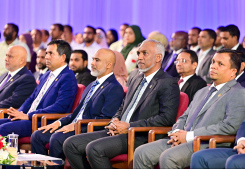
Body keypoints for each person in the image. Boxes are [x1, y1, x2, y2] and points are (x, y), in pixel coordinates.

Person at [63, 39, 180, 169]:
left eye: (144, 53)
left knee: (94, 149)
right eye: (139, 53)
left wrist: (129, 126)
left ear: (158, 57)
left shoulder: (167, 82)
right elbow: (123, 105)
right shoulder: (136, 77)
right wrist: (115, 121)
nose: (139, 57)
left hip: (140, 134)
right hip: (120, 130)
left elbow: (166, 118)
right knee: (70, 144)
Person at [133, 49, 245, 169]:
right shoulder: (203, 91)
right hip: (181, 139)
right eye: (213, 62)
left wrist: (189, 136)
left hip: (206, 144)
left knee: (168, 157)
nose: (213, 66)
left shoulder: (239, 93)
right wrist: (177, 132)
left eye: (220, 64)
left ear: (233, 72)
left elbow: (230, 127)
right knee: (141, 153)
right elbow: (184, 116)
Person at [31, 48, 125, 159]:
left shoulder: (114, 88)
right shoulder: (92, 85)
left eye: (97, 60)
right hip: (74, 125)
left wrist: (76, 126)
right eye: (93, 59)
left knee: (56, 138)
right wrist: (59, 123)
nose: (92, 63)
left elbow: (105, 120)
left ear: (109, 65)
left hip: (87, 130)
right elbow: (77, 113)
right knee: (37, 136)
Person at [0, 40, 78, 138]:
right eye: (46, 53)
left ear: (63, 57)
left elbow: (60, 106)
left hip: (44, 120)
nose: (46, 57)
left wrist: (28, 116)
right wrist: (19, 113)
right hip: (29, 117)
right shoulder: (46, 75)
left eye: (51, 53)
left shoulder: (68, 77)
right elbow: (32, 98)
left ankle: (11, 153)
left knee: (3, 129)